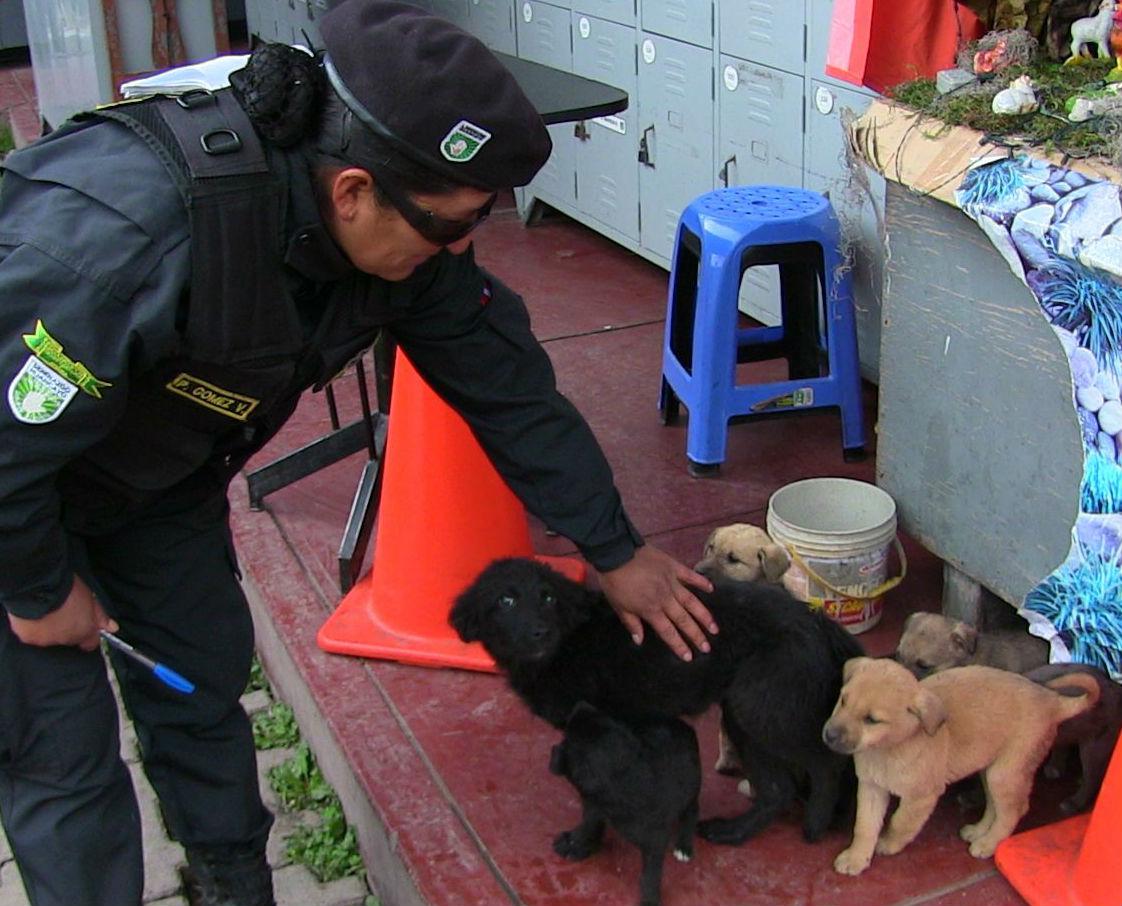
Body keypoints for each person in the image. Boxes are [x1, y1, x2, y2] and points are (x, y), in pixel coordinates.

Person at [0, 2, 715, 904]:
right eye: (451, 227)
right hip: (13, 484)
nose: (460, 250)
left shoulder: (397, 245)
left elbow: (513, 394)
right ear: (353, 192)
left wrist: (613, 550)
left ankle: (231, 887)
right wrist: (34, 585)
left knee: (202, 682)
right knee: (59, 753)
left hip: (151, 480)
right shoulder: (136, 229)